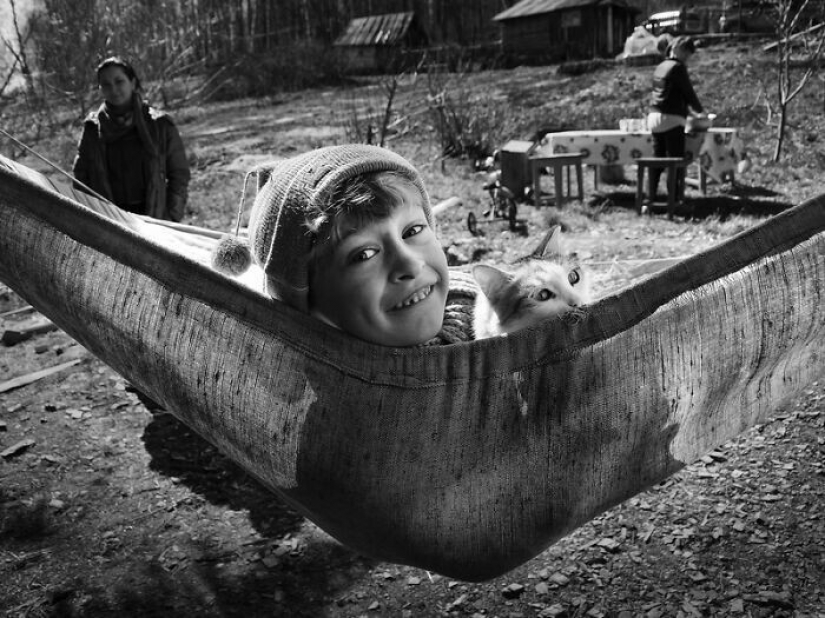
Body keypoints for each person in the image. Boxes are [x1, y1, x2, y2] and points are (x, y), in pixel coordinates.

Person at [211, 144, 477, 347]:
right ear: (308, 306)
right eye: (364, 254)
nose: (410, 264)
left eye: (413, 230)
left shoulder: (491, 315)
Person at [72, 56, 190, 221]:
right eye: (106, 84)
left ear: (132, 83)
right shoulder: (93, 128)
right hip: (110, 221)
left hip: (154, 220)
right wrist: (90, 220)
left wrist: (172, 217)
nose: (113, 89)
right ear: (100, 89)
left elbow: (179, 174)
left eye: (119, 81)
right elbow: (81, 179)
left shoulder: (159, 125)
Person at [646, 36, 703, 203]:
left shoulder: (661, 66)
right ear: (678, 49)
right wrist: (701, 112)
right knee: (676, 160)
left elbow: (668, 94)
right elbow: (688, 92)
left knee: (659, 159)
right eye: (686, 53)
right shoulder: (678, 67)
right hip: (671, 118)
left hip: (654, 117)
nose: (687, 58)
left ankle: (650, 198)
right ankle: (675, 199)